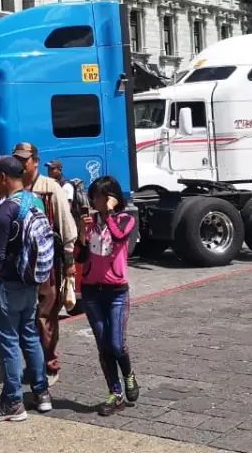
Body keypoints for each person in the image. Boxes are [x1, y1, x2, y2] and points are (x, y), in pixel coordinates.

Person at [0, 155, 51, 421]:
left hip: (7, 286)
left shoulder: (4, 210)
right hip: (30, 282)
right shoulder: (35, 201)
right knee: (29, 337)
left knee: (8, 344)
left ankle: (13, 403)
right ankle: (42, 393)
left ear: (3, 177)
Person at [14, 143, 77, 387]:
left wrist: (69, 262)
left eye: (24, 160)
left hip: (47, 264)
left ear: (35, 162)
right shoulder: (13, 188)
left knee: (45, 316)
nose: (20, 164)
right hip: (20, 265)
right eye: (17, 160)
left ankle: (50, 365)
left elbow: (67, 226)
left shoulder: (50, 188)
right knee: (25, 318)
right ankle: (34, 364)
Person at [78, 175, 140, 416]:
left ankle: (128, 374)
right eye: (93, 196)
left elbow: (118, 236)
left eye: (99, 197)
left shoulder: (125, 219)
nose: (95, 200)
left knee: (117, 344)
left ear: (111, 198)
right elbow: (82, 255)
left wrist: (111, 214)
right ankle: (115, 393)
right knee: (103, 346)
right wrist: (83, 234)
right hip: (92, 290)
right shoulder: (90, 221)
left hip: (116, 291)